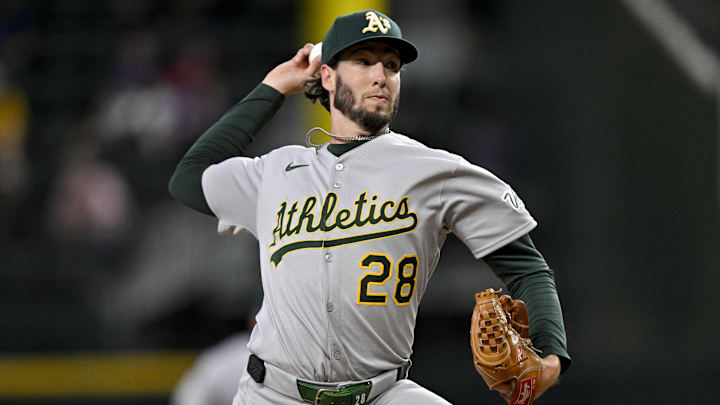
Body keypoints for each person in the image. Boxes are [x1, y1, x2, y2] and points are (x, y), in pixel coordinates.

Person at [169, 9, 570, 405]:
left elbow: (527, 267)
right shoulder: (275, 171)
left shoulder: (436, 171)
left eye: (392, 66)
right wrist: (274, 87)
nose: (381, 75)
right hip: (272, 394)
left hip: (382, 394)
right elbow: (189, 178)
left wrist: (551, 357)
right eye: (363, 61)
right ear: (327, 75)